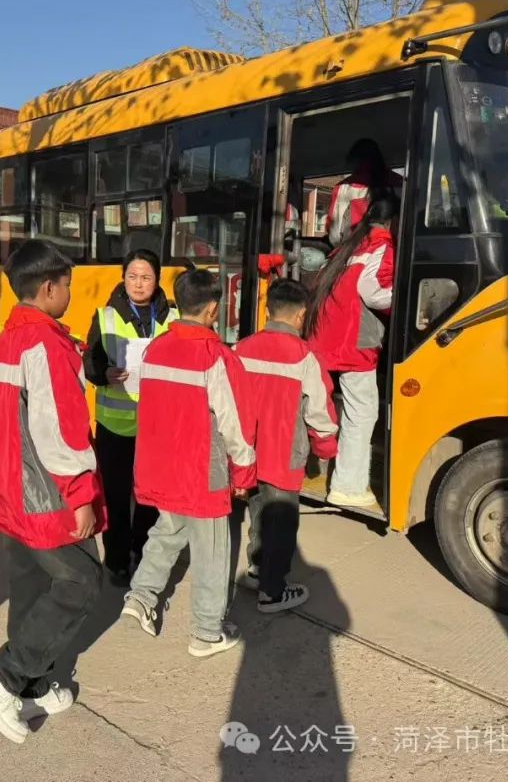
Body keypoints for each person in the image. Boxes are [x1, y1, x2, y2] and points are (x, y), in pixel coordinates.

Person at [0, 239, 106, 745]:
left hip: (10, 486)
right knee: (81, 582)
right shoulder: (47, 345)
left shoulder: (6, 341)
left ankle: (36, 681)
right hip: (45, 490)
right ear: (48, 288)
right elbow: (61, 431)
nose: (69, 292)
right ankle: (5, 678)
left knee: (30, 585)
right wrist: (81, 493)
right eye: (66, 285)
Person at [120, 269, 256, 658]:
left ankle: (142, 596)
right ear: (214, 308)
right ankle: (207, 632)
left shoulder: (156, 347)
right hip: (202, 469)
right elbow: (236, 424)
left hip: (163, 463)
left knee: (168, 529)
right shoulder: (216, 357)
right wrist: (244, 473)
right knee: (213, 549)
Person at [234, 279, 338, 612]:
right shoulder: (306, 357)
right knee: (282, 522)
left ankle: (255, 569)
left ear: (267, 311)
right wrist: (325, 450)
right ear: (301, 317)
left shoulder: (241, 348)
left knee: (259, 511)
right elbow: (321, 412)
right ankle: (273, 592)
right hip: (284, 455)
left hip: (248, 453)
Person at [83, 249, 177, 585]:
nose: (138, 284)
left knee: (151, 497)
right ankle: (117, 561)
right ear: (123, 279)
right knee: (117, 497)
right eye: (132, 276)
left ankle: (143, 551)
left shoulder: (173, 316)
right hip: (116, 426)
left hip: (157, 426)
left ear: (157, 280)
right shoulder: (106, 315)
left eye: (146, 277)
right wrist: (103, 373)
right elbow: (90, 361)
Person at [308, 193, 399, 510]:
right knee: (362, 413)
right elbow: (374, 293)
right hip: (354, 341)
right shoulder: (382, 245)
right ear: (393, 221)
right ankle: (348, 487)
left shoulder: (349, 245)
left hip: (326, 336)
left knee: (319, 403)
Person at [325, 137, 403, 246]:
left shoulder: (344, 187)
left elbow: (335, 235)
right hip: (395, 253)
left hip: (355, 254)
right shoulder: (400, 183)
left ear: (354, 160)